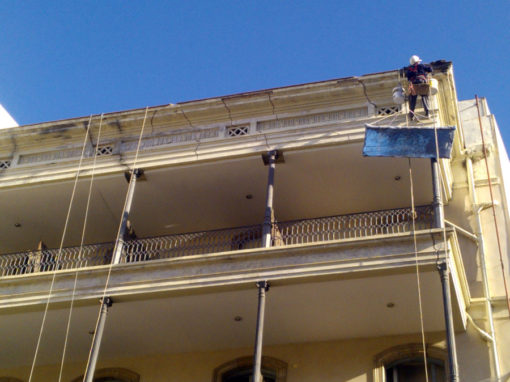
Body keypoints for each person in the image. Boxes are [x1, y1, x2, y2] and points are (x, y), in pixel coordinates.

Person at [405, 55, 432, 120]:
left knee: (412, 98)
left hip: (414, 84)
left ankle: (411, 114)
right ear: (418, 61)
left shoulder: (410, 69)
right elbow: (430, 69)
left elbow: (408, 77)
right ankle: (427, 112)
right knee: (424, 96)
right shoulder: (421, 66)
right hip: (422, 82)